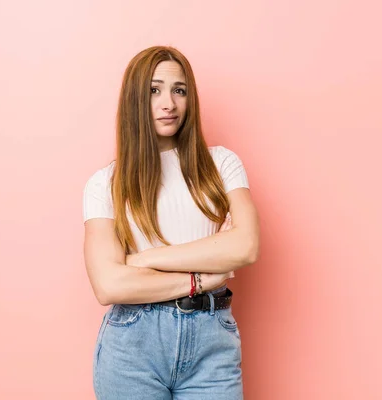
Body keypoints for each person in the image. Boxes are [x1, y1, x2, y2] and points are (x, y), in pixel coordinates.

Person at [82, 45, 260, 400]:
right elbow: (109, 285)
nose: (169, 103)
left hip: (212, 344)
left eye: (179, 90)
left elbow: (246, 246)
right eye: (154, 90)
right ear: (135, 99)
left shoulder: (220, 164)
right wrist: (199, 279)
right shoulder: (106, 183)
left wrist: (142, 260)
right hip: (133, 346)